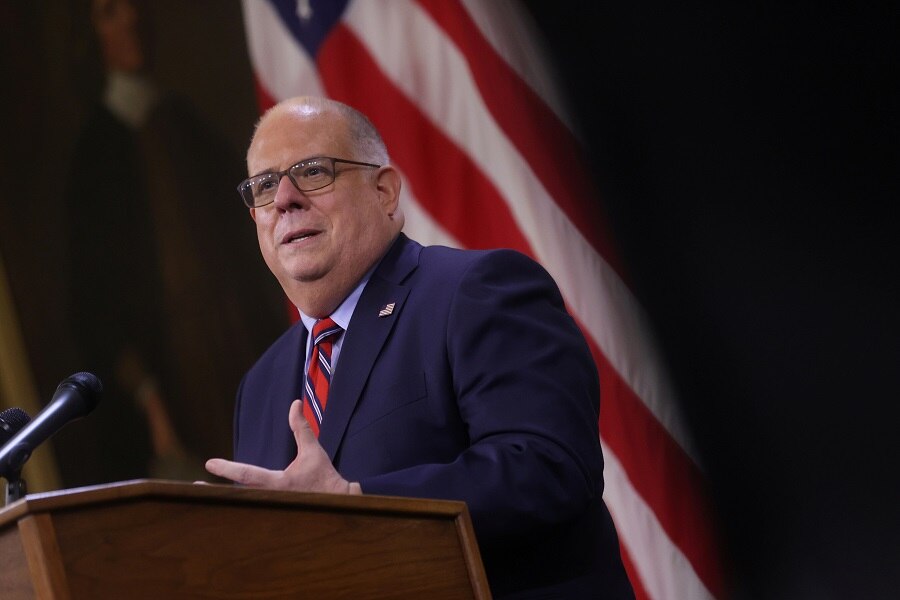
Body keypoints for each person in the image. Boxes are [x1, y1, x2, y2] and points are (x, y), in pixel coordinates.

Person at [205, 96, 634, 599]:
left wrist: (356, 503)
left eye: (313, 171)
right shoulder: (259, 387)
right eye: (263, 186)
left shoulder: (478, 291)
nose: (284, 200)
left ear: (385, 191)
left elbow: (548, 467)